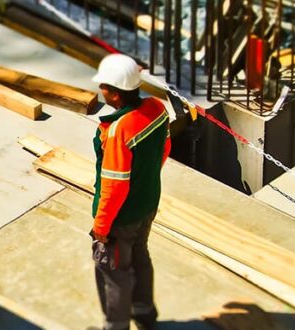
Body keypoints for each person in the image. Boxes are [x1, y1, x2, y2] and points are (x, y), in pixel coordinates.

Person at [90, 54, 171, 330]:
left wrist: (101, 226)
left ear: (113, 93)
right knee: (140, 256)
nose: (100, 89)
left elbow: (114, 186)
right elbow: (165, 149)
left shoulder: (119, 130)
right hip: (148, 203)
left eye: (103, 86)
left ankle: (117, 325)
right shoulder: (157, 109)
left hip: (122, 218)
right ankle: (144, 312)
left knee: (113, 271)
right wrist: (145, 180)